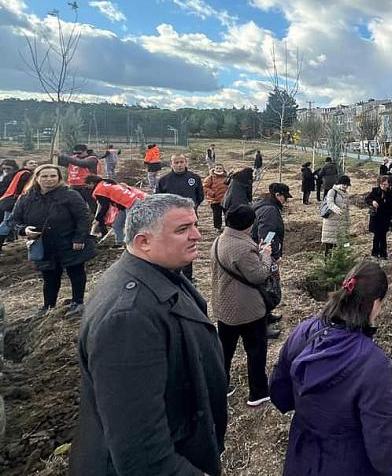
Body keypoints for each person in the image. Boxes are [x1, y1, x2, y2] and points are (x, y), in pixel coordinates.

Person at [70, 194, 227, 475]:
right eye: (182, 229)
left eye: (195, 225)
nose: (197, 235)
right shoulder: (128, 319)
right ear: (143, 241)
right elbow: (140, 449)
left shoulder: (157, 273)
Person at [269, 261, 392, 476]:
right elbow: (385, 449)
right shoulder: (372, 363)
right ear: (374, 305)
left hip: (302, 455)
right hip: (349, 461)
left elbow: (280, 394)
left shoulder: (304, 331)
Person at [211, 204, 274, 406]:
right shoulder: (243, 247)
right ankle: (258, 392)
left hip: (224, 306)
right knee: (256, 350)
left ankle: (220, 386)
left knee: (225, 350)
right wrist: (265, 254)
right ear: (248, 225)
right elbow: (258, 275)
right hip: (247, 309)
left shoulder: (219, 240)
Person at [12, 164, 93, 318]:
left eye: (52, 176)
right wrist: (24, 230)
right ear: (37, 178)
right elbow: (15, 221)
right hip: (44, 245)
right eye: (44, 176)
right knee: (49, 277)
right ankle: (48, 306)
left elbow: (83, 217)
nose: (49, 179)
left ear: (59, 178)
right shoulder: (26, 198)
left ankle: (77, 302)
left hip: (69, 242)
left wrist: (79, 238)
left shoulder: (70, 195)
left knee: (75, 272)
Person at [156, 154, 205, 281]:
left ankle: (187, 278)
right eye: (176, 162)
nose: (179, 165)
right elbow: (158, 200)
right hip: (170, 221)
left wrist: (190, 211)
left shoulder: (194, 178)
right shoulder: (164, 180)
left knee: (187, 246)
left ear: (186, 162)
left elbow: (200, 197)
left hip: (189, 220)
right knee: (171, 246)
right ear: (171, 164)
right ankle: (171, 275)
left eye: (181, 162)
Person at [252, 183, 290, 339]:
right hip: (265, 255)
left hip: (260, 253)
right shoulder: (270, 211)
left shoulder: (264, 205)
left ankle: (266, 316)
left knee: (265, 288)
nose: (285, 201)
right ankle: (262, 325)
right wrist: (273, 255)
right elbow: (268, 234)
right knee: (267, 289)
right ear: (277, 195)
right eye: (285, 197)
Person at [85, 175, 147, 244]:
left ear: (92, 183)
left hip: (131, 203)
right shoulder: (105, 183)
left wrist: (98, 219)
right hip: (125, 205)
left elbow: (105, 207)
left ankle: (134, 244)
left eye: (87, 185)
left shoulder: (99, 191)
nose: (87, 187)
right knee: (117, 224)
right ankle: (120, 242)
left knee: (130, 226)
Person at [0, 159, 36, 252]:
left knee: (8, 223)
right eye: (31, 163)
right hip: (15, 202)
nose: (34, 164)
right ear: (24, 165)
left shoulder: (18, 173)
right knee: (7, 223)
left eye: (35, 163)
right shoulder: (26, 174)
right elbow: (22, 189)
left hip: (9, 201)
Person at [58, 144, 100, 213]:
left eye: (79, 153)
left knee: (92, 206)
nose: (77, 155)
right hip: (73, 186)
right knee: (76, 206)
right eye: (75, 153)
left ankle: (95, 219)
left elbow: (81, 163)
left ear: (86, 151)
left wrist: (64, 156)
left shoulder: (92, 159)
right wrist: (57, 156)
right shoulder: (73, 158)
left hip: (87, 187)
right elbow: (60, 162)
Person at [365, 176, 392, 259]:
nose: (383, 185)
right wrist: (373, 202)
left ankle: (383, 253)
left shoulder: (390, 193)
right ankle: (375, 252)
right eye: (382, 184)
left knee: (383, 236)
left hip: (385, 217)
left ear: (388, 184)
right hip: (376, 217)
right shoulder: (375, 191)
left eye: (385, 184)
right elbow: (367, 199)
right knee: (377, 235)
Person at [321, 174, 350, 256]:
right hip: (331, 222)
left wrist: (348, 222)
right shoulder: (332, 191)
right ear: (339, 183)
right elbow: (330, 203)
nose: (345, 186)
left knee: (340, 246)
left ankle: (338, 265)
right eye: (344, 184)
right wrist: (336, 209)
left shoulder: (346, 195)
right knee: (329, 246)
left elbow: (347, 210)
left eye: (347, 185)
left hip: (341, 223)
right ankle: (328, 265)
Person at [203, 164, 229, 232]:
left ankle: (228, 228)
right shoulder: (210, 178)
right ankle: (218, 227)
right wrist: (212, 193)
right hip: (215, 200)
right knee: (217, 215)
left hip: (226, 200)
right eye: (217, 168)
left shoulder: (227, 177)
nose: (218, 170)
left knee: (228, 214)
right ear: (214, 169)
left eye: (220, 168)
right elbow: (205, 187)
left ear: (223, 169)